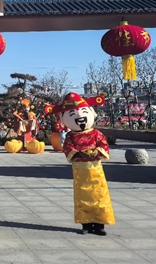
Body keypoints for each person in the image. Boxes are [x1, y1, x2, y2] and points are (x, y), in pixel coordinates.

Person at [45, 93, 116, 236]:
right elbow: (68, 149)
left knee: (99, 196)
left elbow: (104, 146)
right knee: (82, 197)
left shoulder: (96, 133)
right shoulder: (70, 136)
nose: (79, 117)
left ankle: (99, 224)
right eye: (72, 114)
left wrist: (94, 152)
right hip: (80, 170)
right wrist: (79, 154)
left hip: (95, 168)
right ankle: (86, 223)